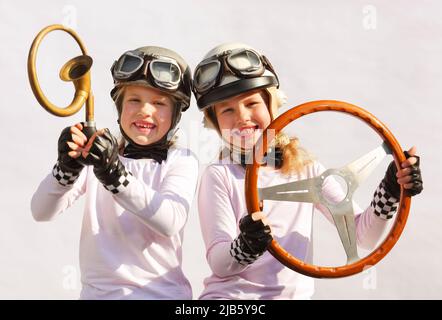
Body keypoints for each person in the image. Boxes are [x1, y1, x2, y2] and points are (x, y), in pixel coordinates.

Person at [193, 43, 423, 299]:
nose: (242, 117)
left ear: (272, 104)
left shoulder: (306, 169)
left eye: (251, 103)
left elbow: (364, 237)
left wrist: (391, 189)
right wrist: (245, 246)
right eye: (227, 110)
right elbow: (219, 263)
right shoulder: (220, 175)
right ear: (215, 123)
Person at [31, 46, 198, 299]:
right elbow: (41, 211)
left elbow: (169, 221)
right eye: (134, 100)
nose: (146, 110)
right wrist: (65, 169)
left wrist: (114, 175)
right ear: (119, 107)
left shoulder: (182, 160)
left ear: (176, 115)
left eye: (159, 103)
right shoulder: (97, 158)